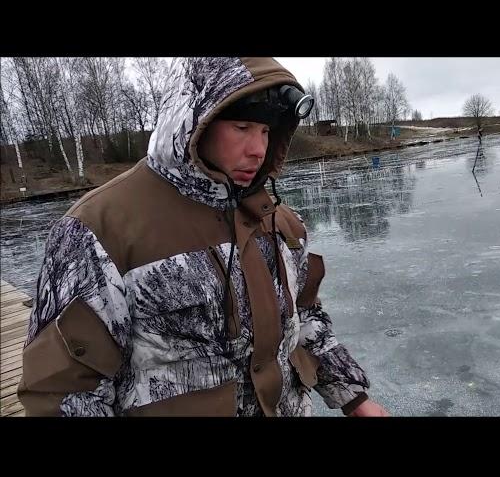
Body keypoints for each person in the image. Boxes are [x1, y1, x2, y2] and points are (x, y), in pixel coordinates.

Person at [18, 57, 389, 417]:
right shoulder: (98, 229)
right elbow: (65, 392)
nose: (258, 150)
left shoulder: (281, 223)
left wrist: (354, 397)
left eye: (265, 132)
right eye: (242, 128)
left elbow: (306, 319)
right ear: (195, 122)